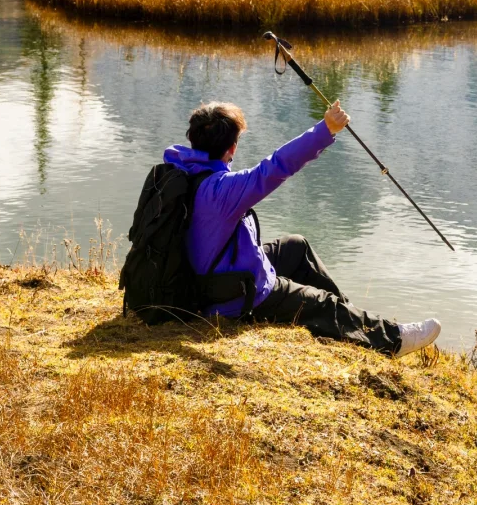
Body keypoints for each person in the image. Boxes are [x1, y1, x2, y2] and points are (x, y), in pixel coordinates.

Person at [164, 102, 441, 356]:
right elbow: (275, 167)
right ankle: (392, 340)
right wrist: (325, 130)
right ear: (232, 148)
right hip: (231, 296)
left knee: (296, 247)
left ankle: (350, 316)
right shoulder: (222, 189)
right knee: (320, 304)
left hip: (207, 278)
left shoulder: (183, 170)